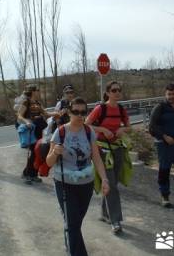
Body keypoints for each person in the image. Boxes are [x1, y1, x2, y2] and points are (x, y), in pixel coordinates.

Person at [46, 97, 110, 256]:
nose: (80, 116)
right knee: (73, 224)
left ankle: (69, 238)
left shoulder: (89, 131)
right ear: (69, 112)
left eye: (83, 112)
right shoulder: (60, 132)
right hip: (64, 183)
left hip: (86, 184)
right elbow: (48, 162)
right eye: (76, 112)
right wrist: (55, 152)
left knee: (75, 222)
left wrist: (104, 179)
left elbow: (96, 157)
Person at [85, 81, 132, 234]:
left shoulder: (121, 109)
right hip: (103, 150)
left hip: (118, 149)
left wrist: (122, 129)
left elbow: (128, 127)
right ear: (107, 92)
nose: (117, 92)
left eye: (119, 90)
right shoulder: (101, 108)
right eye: (114, 90)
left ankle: (105, 213)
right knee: (110, 183)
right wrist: (103, 129)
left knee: (114, 183)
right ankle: (115, 220)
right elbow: (87, 125)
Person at [17, 84, 59, 184]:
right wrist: (26, 122)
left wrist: (56, 114)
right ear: (32, 91)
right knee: (32, 152)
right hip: (30, 130)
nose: (39, 92)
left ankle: (32, 174)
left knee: (37, 152)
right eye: (37, 90)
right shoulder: (26, 102)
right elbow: (19, 115)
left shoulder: (37, 102)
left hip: (38, 129)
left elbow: (46, 114)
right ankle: (27, 174)